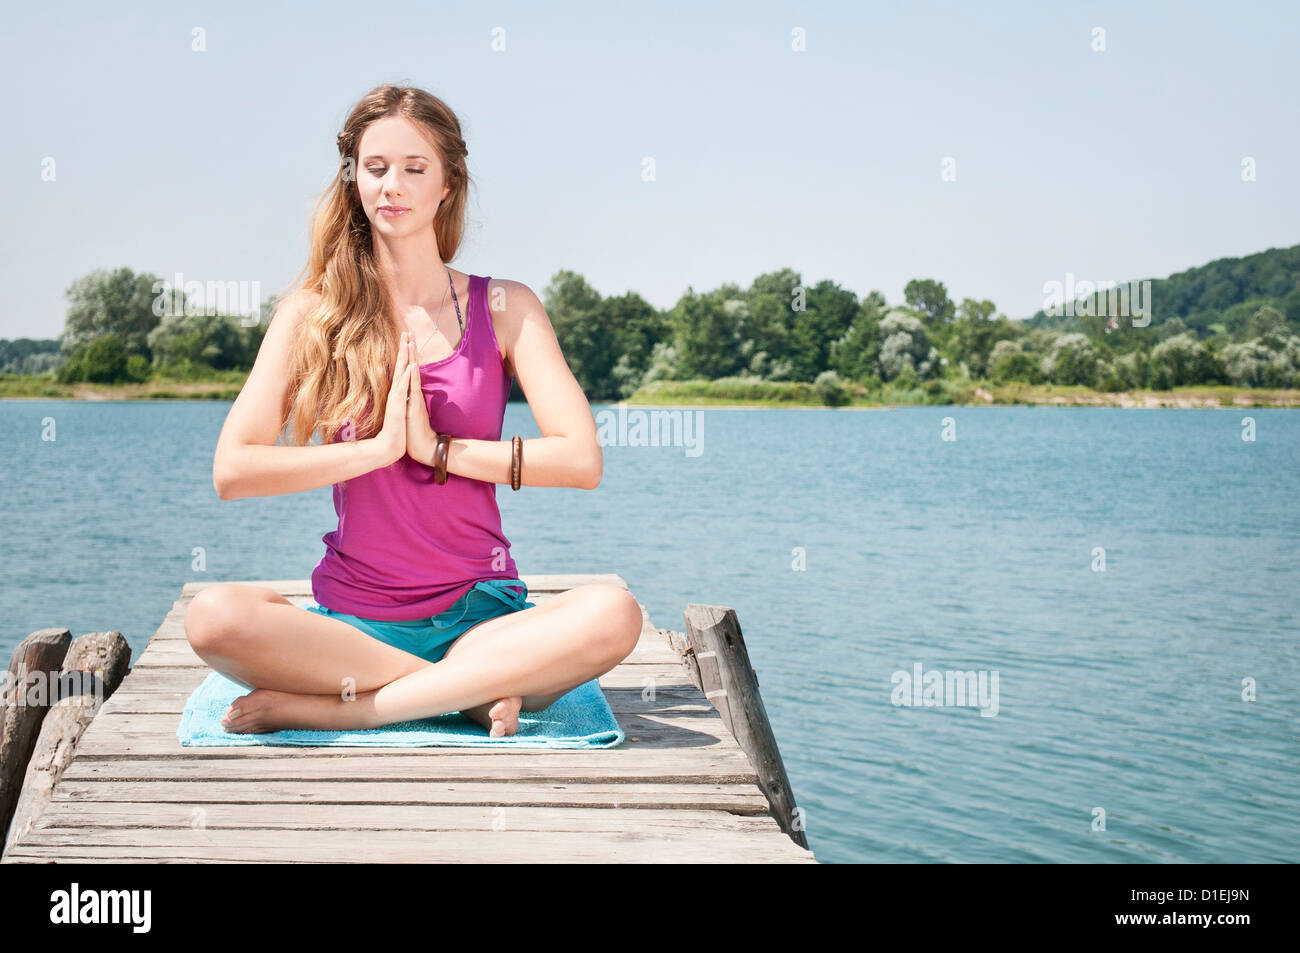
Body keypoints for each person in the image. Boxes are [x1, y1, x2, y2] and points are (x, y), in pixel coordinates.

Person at [183, 84, 643, 738]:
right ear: (353, 179)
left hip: (484, 618)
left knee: (615, 612)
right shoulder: (311, 314)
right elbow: (233, 470)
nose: (391, 185)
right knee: (214, 616)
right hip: (354, 628)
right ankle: (466, 692)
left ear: (448, 184)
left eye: (414, 168)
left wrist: (438, 451)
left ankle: (357, 707)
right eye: (375, 168)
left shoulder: (506, 307)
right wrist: (376, 450)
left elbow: (581, 458)